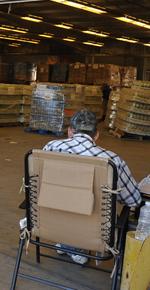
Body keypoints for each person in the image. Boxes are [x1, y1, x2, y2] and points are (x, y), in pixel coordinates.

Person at [42, 109, 141, 264]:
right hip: (94, 230)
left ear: (69, 131)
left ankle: (66, 242)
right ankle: (72, 245)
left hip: (50, 221)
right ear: (96, 135)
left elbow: (39, 185)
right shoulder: (112, 160)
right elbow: (133, 199)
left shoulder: (50, 148)